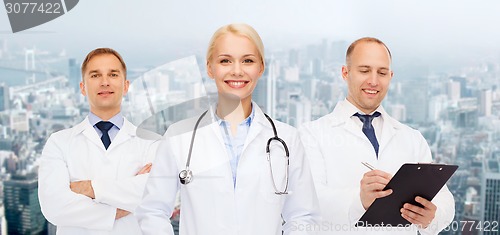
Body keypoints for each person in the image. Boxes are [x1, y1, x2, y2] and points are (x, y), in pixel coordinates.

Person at [136, 23, 320, 235]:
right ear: (210, 68)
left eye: (247, 61)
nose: (237, 71)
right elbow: (152, 211)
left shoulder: (287, 138)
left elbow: (303, 216)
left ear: (261, 67)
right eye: (225, 61)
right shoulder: (179, 136)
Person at [299, 37, 455, 234]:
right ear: (345, 73)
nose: (373, 81)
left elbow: (444, 199)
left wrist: (433, 216)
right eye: (364, 71)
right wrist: (360, 201)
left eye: (382, 72)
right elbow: (308, 203)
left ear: (390, 76)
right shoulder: (312, 134)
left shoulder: (412, 138)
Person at [38, 48, 159, 234]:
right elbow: (53, 206)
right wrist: (123, 205)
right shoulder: (59, 143)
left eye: (113, 74)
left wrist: (88, 188)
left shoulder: (152, 143)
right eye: (95, 75)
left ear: (126, 86)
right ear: (83, 88)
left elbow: (156, 194)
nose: (105, 82)